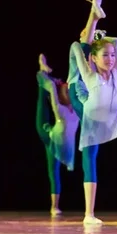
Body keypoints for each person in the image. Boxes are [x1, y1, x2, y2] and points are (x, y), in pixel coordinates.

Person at [69, 0, 117, 225]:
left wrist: (103, 38)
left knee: (92, 153)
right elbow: (77, 49)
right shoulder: (90, 73)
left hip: (102, 109)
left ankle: (94, 21)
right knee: (90, 151)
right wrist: (92, 32)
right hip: (80, 93)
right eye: (105, 55)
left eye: (112, 55)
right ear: (94, 58)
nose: (111, 59)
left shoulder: (116, 73)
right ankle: (88, 214)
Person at [36, 53, 79, 216]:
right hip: (50, 137)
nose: (69, 94)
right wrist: (49, 79)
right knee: (53, 171)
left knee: (56, 173)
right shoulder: (60, 108)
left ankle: (55, 205)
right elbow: (53, 90)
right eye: (66, 92)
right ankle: (54, 206)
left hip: (65, 145)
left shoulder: (77, 111)